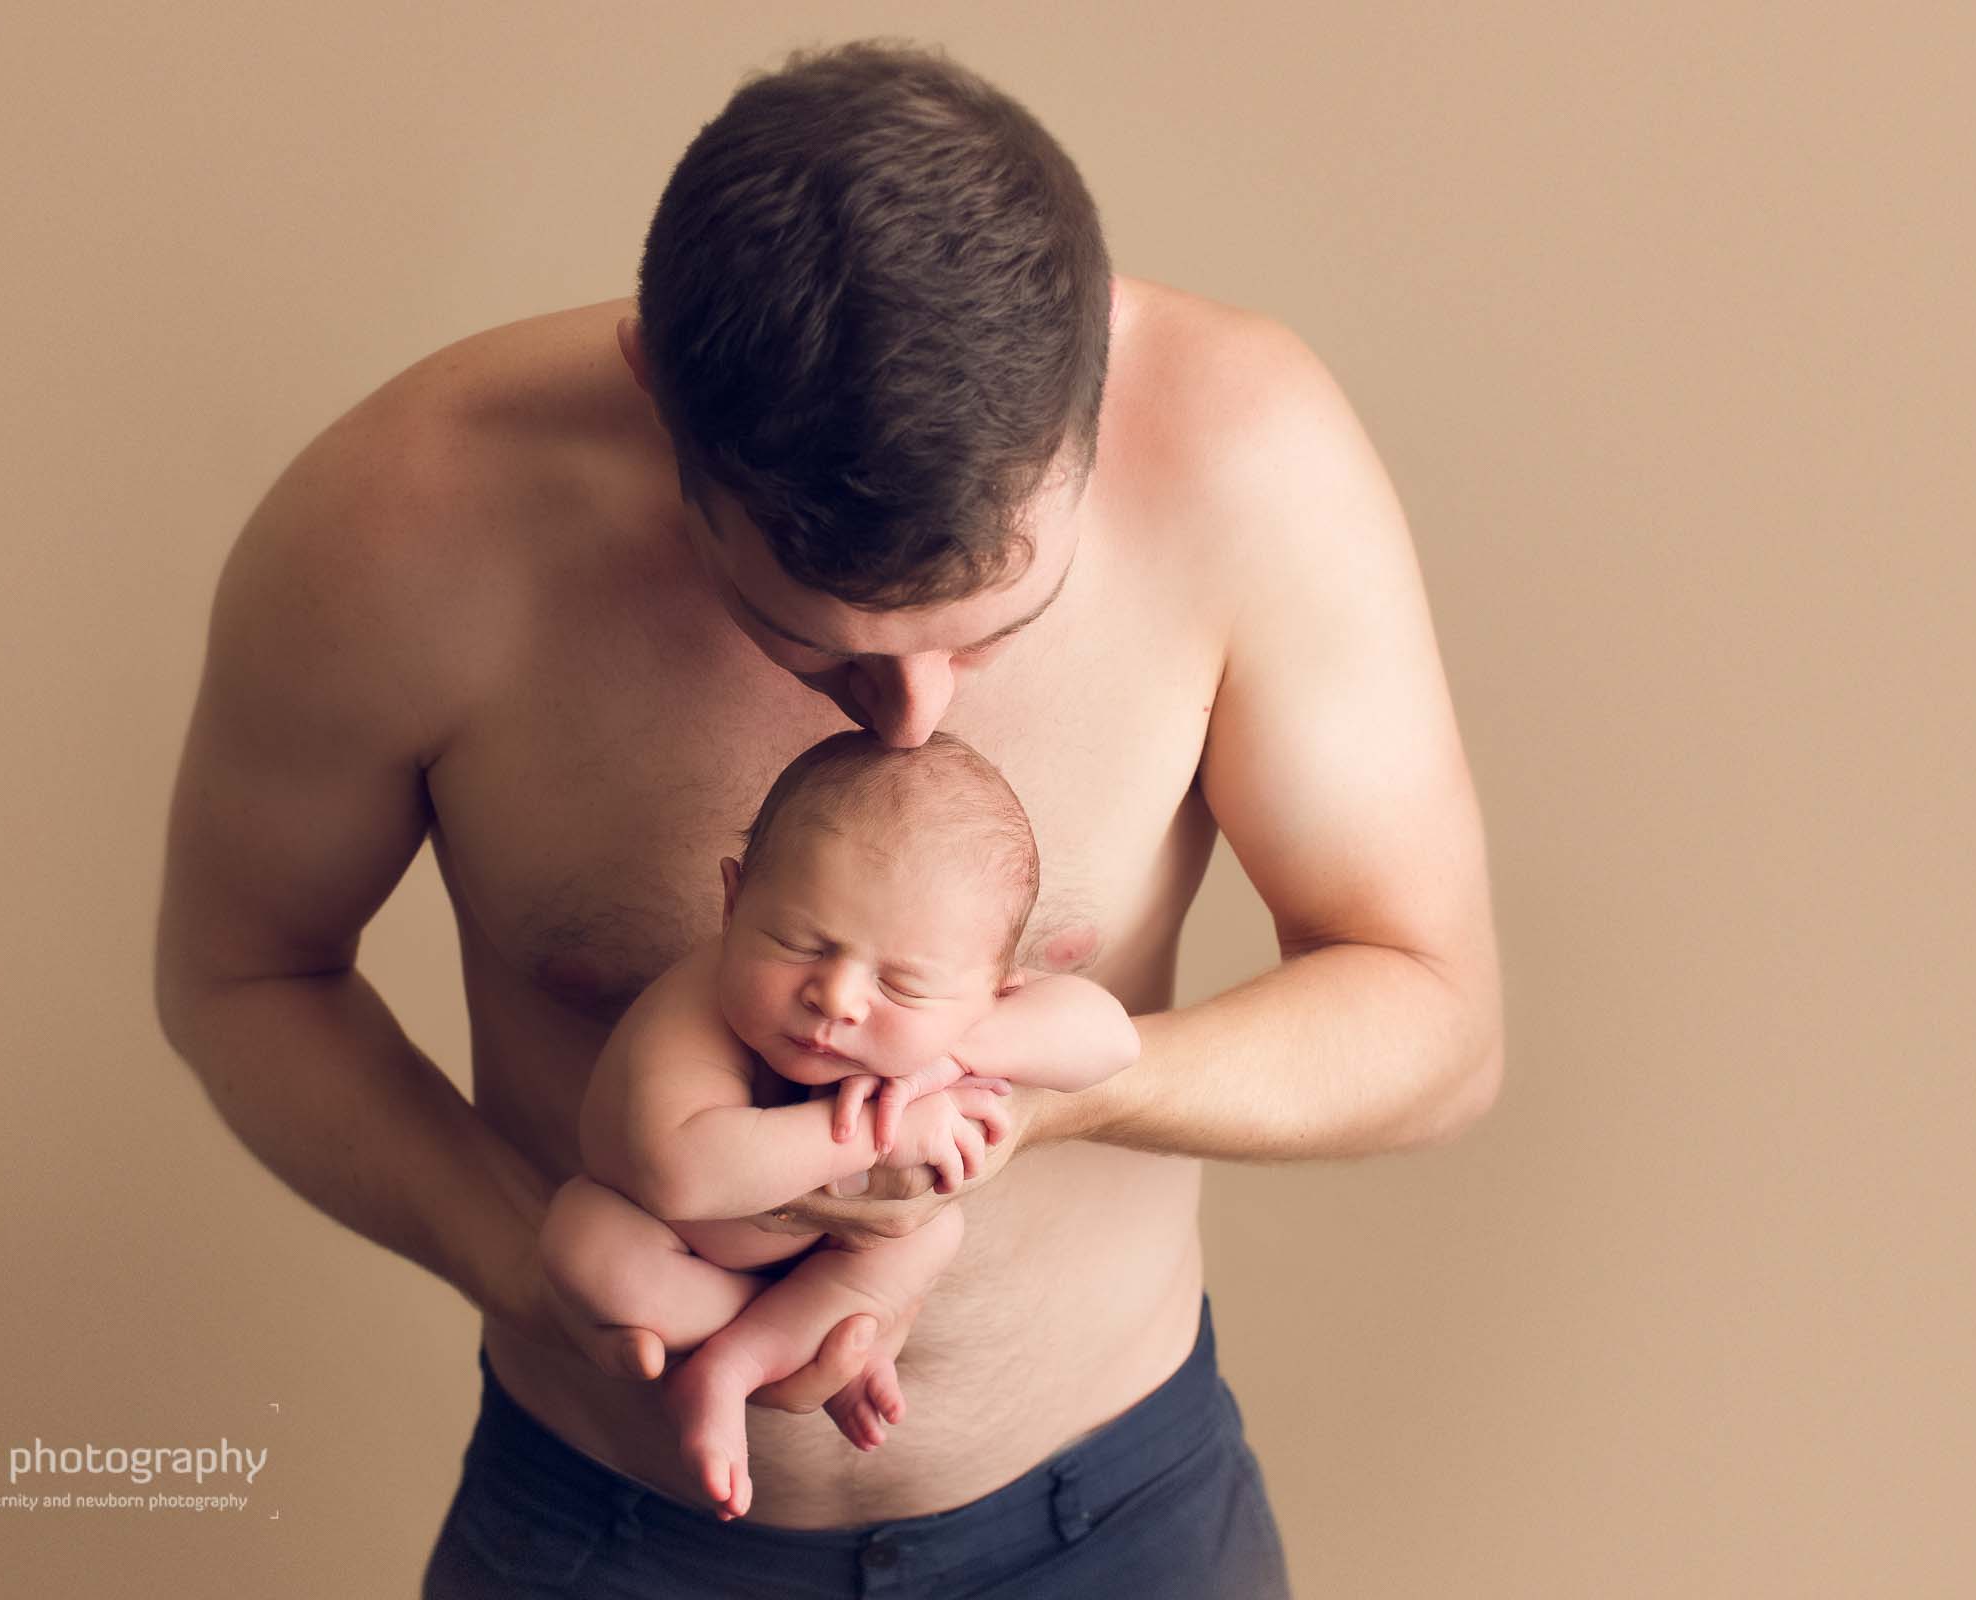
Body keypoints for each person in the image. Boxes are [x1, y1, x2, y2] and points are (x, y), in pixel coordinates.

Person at [153, 36, 1502, 1599]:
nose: (914, 719)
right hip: (601, 1529)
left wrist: (1031, 1109)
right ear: (662, 399)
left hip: (1114, 1523)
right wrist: (524, 1263)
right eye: (807, 640)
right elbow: (245, 981)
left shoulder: (1242, 458)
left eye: (991, 630)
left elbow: (1434, 1019)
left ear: (1090, 395)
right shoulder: (406, 527)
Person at [540, 730, 1140, 1523]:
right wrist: (878, 1135)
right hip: (674, 1243)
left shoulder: (954, 1022)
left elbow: (1113, 1040)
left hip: (827, 1261)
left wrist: (949, 1055)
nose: (838, 998)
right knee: (583, 1249)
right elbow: (681, 1171)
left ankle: (735, 1366)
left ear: (996, 986)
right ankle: (771, 1340)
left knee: (928, 1238)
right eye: (798, 943)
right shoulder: (695, 1003)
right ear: (732, 902)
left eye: (904, 985)